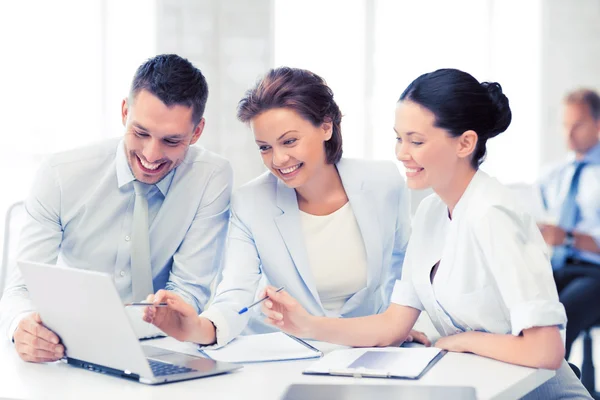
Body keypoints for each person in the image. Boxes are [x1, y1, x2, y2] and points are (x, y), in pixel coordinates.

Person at [259, 69, 590, 398]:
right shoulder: (431, 212)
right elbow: (392, 325)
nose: (402, 153)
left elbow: (545, 350)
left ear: (465, 143)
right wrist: (306, 324)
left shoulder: (493, 213)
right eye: (399, 138)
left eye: (416, 141)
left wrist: (464, 340)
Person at [143, 67, 428, 347]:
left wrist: (397, 325)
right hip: (284, 351)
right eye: (264, 147)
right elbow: (236, 293)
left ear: (326, 126)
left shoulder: (383, 182)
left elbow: (401, 266)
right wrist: (198, 328)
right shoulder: (251, 202)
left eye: (289, 141)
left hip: (366, 348)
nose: (278, 159)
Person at [0, 54, 233, 363]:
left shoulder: (210, 177)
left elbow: (189, 292)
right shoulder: (59, 175)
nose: (151, 155)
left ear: (197, 132)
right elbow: (19, 289)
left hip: (165, 345)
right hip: (73, 345)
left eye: (172, 141)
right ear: (125, 112)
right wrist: (22, 327)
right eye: (141, 133)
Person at [538, 88, 600, 359]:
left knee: (560, 317)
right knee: (522, 309)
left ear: (598, 125)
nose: (568, 134)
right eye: (565, 126)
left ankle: (558, 389)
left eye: (578, 125)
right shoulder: (552, 175)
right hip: (557, 267)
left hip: (595, 273)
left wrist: (568, 238)